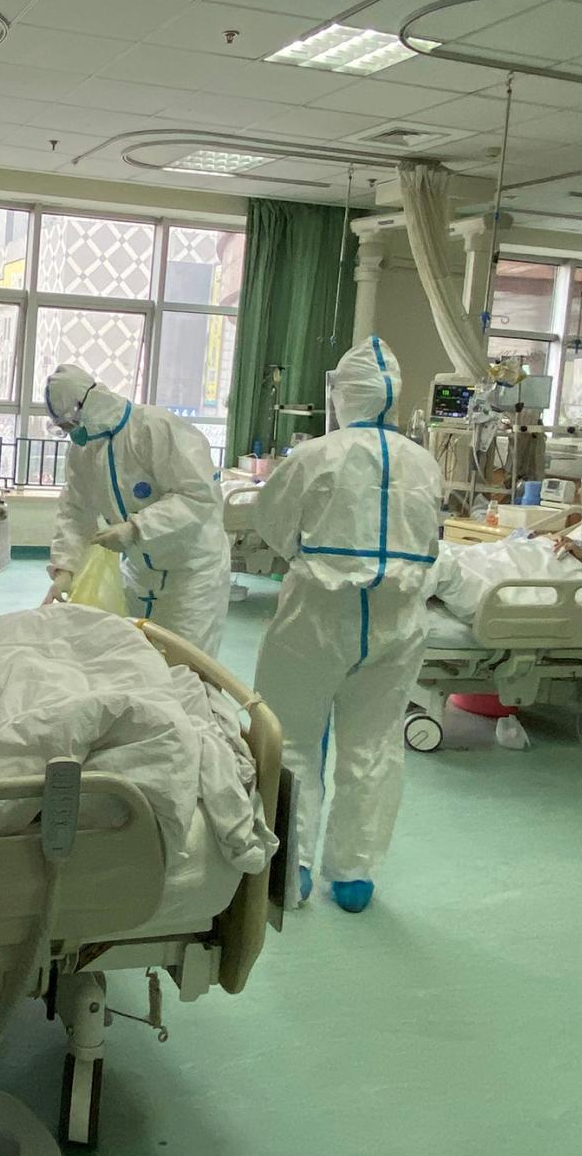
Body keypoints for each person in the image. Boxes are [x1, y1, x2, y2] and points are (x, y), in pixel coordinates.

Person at [251, 338, 445, 913]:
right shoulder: (423, 460)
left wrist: (315, 560)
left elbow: (272, 523)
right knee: (374, 745)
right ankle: (355, 875)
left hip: (318, 612)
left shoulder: (316, 456)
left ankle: (295, 870)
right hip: (398, 621)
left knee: (293, 741)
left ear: (343, 395)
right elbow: (432, 538)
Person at [40, 364, 230, 657]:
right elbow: (75, 510)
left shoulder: (156, 428)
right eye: (63, 429)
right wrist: (65, 569)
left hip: (191, 575)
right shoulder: (83, 450)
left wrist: (136, 528)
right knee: (139, 662)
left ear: (89, 403)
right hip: (139, 573)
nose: (70, 434)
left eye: (70, 424)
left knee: (186, 669)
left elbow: (198, 496)